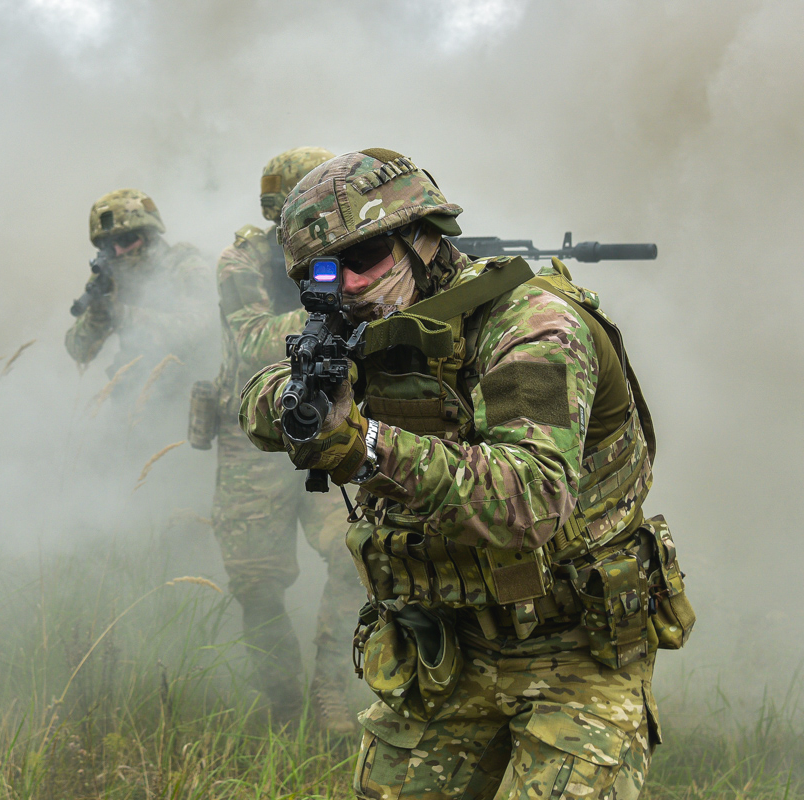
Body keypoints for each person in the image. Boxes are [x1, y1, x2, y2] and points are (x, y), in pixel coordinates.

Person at [239, 149, 694, 797]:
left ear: (423, 238)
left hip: (576, 648)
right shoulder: (367, 321)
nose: (346, 285)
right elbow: (260, 394)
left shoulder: (533, 325)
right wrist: (295, 407)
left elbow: (529, 502)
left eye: (363, 260)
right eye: (323, 271)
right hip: (442, 649)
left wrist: (365, 444)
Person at [209, 147, 366, 732]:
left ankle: (330, 687)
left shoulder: (347, 254)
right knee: (257, 579)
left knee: (355, 553)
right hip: (252, 438)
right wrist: (336, 308)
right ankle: (281, 703)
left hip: (327, 421)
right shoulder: (241, 260)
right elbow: (252, 340)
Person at [65, 188, 210, 398]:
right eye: (109, 245)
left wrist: (125, 315)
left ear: (149, 234)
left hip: (186, 390)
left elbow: (199, 327)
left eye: (125, 240)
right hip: (134, 394)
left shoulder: (186, 265)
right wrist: (95, 320)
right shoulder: (110, 276)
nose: (119, 251)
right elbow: (78, 351)